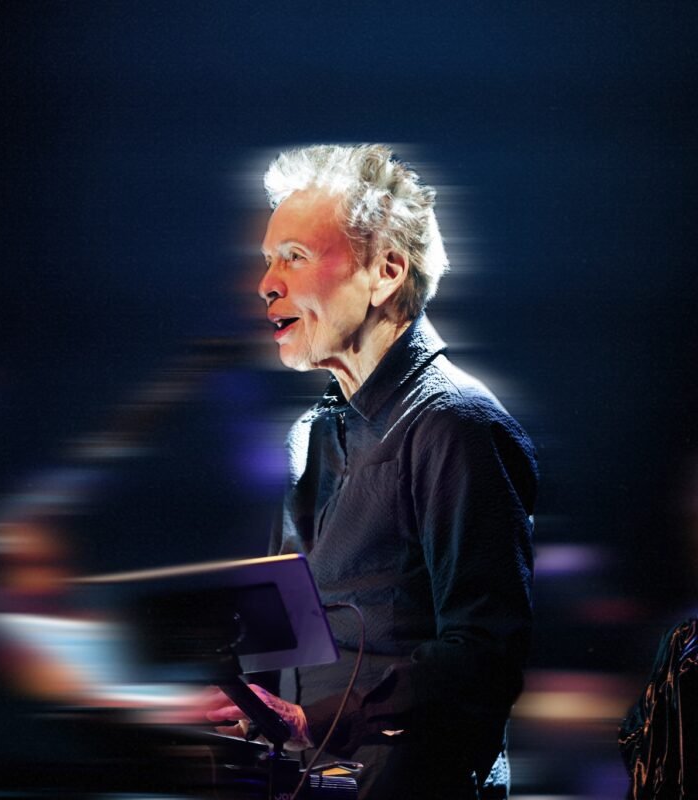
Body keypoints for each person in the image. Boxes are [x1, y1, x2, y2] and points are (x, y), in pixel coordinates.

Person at [187, 144, 538, 799]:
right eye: (268, 259)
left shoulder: (456, 425)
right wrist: (234, 692)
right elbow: (284, 636)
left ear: (386, 272)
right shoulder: (307, 435)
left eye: (294, 256)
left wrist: (314, 720)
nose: (267, 283)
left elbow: (483, 653)